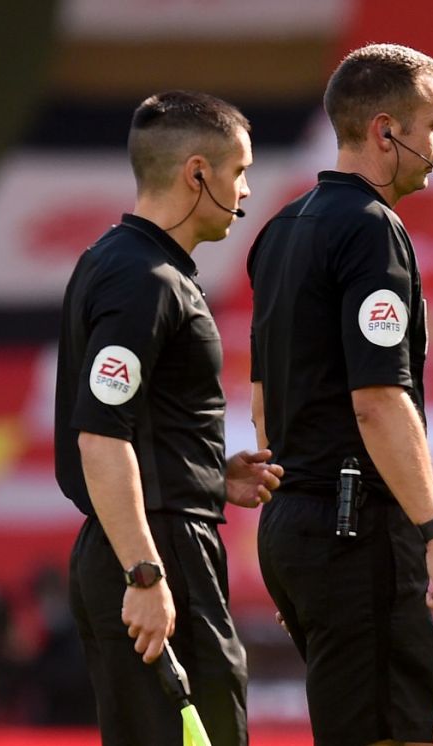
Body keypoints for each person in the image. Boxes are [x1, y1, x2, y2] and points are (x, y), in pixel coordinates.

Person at [246, 43, 433, 746]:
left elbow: (263, 399)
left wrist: (301, 556)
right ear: (384, 131)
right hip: (356, 531)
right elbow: (377, 400)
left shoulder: (282, 229)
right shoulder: (371, 231)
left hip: (296, 526)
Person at [55, 90, 283, 746]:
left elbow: (138, 427)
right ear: (197, 174)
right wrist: (144, 573)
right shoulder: (143, 280)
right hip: (157, 552)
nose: (246, 191)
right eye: (238, 171)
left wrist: (208, 476)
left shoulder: (123, 264)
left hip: (156, 535)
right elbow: (101, 435)